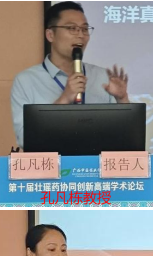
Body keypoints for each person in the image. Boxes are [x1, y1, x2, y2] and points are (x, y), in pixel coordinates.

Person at [10, 1, 130, 148]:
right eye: (72, 28)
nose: (80, 35)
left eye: (84, 29)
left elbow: (126, 135)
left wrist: (122, 99)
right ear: (50, 35)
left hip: (96, 162)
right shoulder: (26, 81)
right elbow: (25, 140)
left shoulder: (102, 77)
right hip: (52, 162)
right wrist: (65, 98)